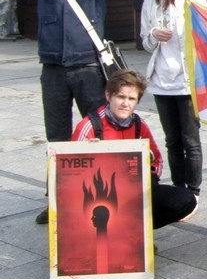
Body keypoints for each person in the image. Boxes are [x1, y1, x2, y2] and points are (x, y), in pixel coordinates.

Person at [0, 0, 121, 225]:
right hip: (52, 71)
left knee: (98, 134)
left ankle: (101, 197)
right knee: (57, 138)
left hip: (87, 70)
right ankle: (57, 201)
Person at [72, 69, 198, 229]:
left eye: (132, 99)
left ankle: (135, 231)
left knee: (186, 200)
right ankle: (109, 232)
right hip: (99, 195)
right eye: (121, 97)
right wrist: (88, 154)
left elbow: (156, 161)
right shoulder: (89, 125)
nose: (126, 103)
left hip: (134, 189)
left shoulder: (139, 124)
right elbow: (70, 172)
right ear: (109, 96)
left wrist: (144, 180)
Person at [140, 0, 207, 199]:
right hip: (160, 81)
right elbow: (145, 43)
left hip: (188, 80)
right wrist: (153, 35)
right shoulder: (150, 1)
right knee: (172, 140)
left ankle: (194, 191)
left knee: (191, 139)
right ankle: (178, 189)